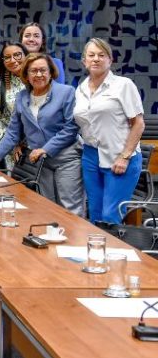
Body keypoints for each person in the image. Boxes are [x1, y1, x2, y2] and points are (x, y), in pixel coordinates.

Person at [0, 53, 84, 216]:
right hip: (40, 162)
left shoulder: (66, 92)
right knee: (46, 206)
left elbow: (71, 128)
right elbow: (13, 132)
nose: (39, 74)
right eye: (33, 71)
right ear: (26, 75)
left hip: (66, 159)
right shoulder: (22, 97)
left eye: (43, 70)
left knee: (70, 207)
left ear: (51, 72)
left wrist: (45, 149)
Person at [74, 38, 145, 224]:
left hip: (119, 156)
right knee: (95, 213)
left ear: (110, 60)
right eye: (91, 55)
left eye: (101, 55)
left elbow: (138, 124)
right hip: (90, 156)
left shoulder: (123, 85)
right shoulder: (80, 89)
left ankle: (115, 245)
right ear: (84, 61)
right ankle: (96, 245)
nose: (96, 59)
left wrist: (125, 156)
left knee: (110, 216)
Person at [0, 41, 27, 170]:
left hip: (36, 145)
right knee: (15, 180)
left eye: (17, 55)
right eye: (7, 57)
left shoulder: (36, 81)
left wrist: (24, 142)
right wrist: (12, 144)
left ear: (26, 55)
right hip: (11, 149)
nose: (13, 60)